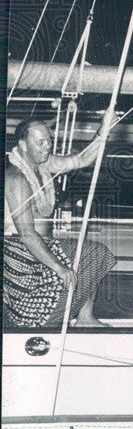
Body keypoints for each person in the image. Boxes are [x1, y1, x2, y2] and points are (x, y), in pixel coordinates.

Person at [4, 111, 117, 327]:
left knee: (96, 253)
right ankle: (38, 320)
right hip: (17, 253)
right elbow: (26, 234)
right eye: (41, 142)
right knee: (67, 273)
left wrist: (104, 130)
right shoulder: (16, 178)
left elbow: (81, 159)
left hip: (42, 243)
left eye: (49, 140)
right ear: (23, 145)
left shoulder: (43, 165)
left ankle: (84, 318)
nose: (47, 146)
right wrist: (59, 267)